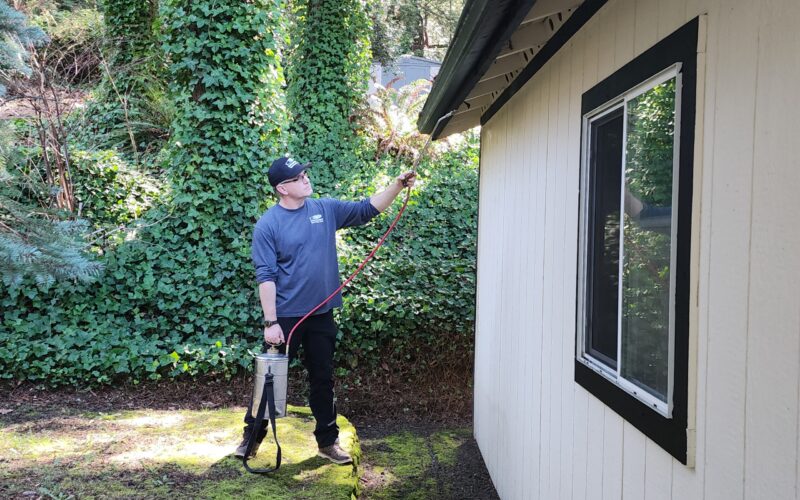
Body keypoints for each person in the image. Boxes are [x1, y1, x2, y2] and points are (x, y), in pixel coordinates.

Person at [235, 156, 416, 465]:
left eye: (305, 173)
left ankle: (327, 442)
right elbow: (265, 277)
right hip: (286, 318)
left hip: (321, 314)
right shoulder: (268, 225)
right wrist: (271, 322)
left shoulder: (325, 209)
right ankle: (251, 439)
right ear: (282, 188)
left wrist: (397, 185)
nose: (305, 178)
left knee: (323, 378)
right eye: (298, 177)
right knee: (270, 378)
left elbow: (367, 208)